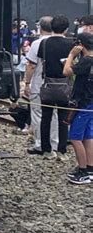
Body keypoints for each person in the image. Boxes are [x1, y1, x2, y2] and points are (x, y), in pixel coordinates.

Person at [37, 15, 73, 160]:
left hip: (47, 84)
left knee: (46, 118)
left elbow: (40, 61)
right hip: (64, 84)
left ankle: (46, 150)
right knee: (63, 119)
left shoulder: (44, 44)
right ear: (66, 29)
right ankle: (62, 150)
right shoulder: (70, 44)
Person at [63, 32, 93, 184]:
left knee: (75, 138)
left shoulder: (87, 60)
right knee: (88, 136)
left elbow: (67, 71)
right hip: (90, 102)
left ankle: (83, 171)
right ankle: (90, 168)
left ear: (81, 45)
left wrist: (71, 55)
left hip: (83, 103)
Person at [24, 16, 57, 155]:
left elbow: (31, 65)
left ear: (40, 27)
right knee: (54, 114)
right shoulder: (61, 42)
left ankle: (39, 143)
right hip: (57, 85)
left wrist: (26, 83)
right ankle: (54, 143)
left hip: (39, 84)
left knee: (38, 114)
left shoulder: (37, 43)